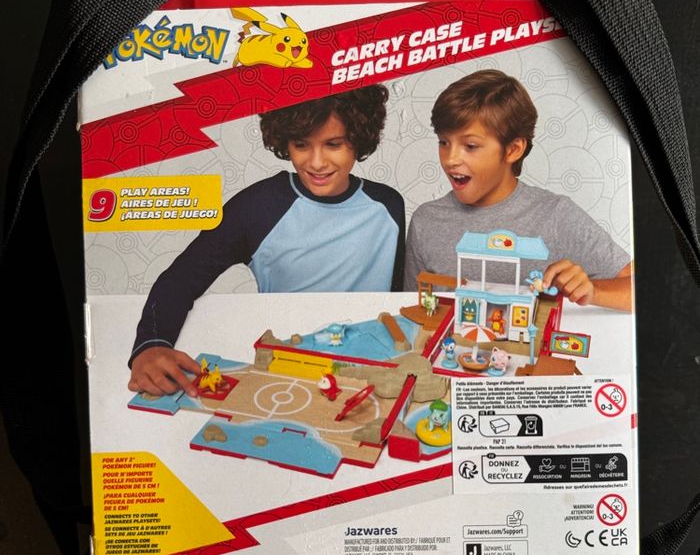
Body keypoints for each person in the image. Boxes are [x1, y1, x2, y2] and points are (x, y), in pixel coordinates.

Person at [129, 85, 405, 397]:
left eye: (333, 144)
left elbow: (396, 297)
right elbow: (181, 278)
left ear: (359, 137)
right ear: (285, 140)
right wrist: (151, 344)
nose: (316, 162)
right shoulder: (258, 207)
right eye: (301, 144)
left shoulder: (388, 207)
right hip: (289, 366)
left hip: (370, 370)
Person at [404, 70, 632, 311]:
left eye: (470, 146)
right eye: (443, 142)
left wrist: (593, 291)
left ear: (513, 150)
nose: (450, 159)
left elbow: (640, 288)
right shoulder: (425, 221)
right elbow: (412, 307)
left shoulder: (557, 214)